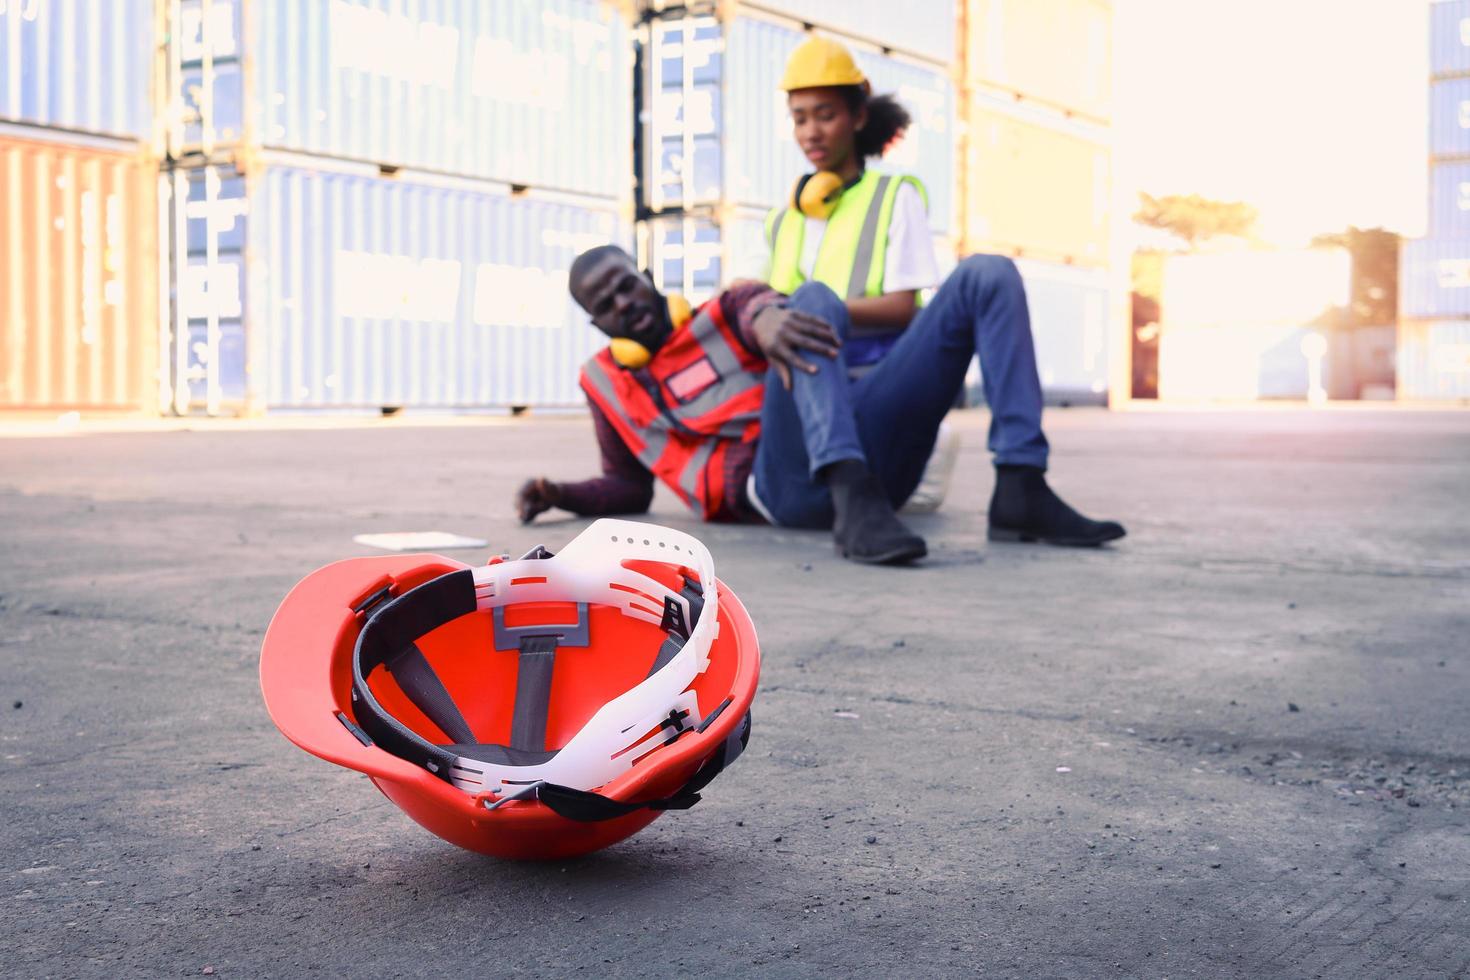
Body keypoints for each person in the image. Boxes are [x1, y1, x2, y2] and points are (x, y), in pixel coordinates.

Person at [514, 245, 1125, 564]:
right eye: (607, 302)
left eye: (627, 283)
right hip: (780, 488)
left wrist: (771, 319)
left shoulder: (723, 311)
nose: (625, 303)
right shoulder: (605, 385)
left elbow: (757, 303)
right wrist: (559, 493)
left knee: (985, 274)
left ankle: (1021, 484)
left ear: (648, 276)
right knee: (816, 299)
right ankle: (850, 497)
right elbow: (629, 489)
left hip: (871, 456)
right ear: (596, 323)